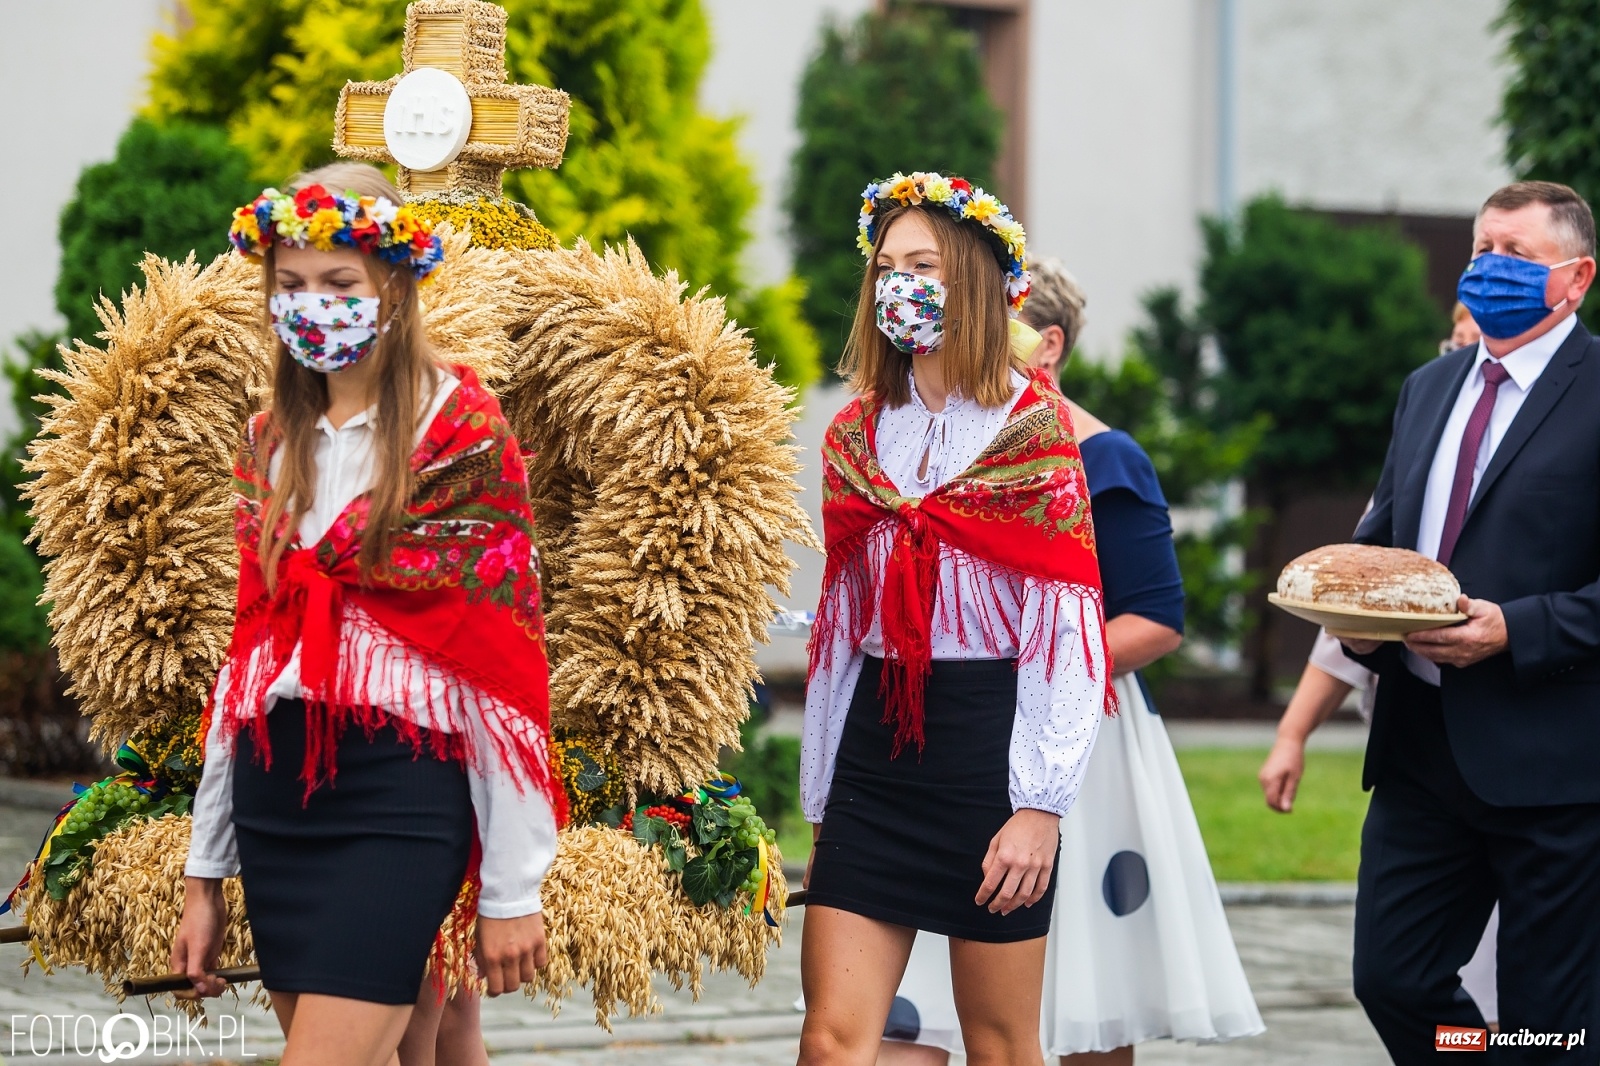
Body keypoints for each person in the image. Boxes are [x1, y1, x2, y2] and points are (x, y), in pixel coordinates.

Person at [169, 162, 563, 1066]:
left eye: (339, 283)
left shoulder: (462, 434)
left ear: (393, 283)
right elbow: (247, 670)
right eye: (292, 286)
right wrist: (205, 877)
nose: (314, 305)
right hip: (280, 799)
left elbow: (500, 680)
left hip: (401, 796)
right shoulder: (270, 444)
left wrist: (511, 890)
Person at [877, 259, 1263, 1066]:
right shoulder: (934, 440)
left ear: (1046, 344)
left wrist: (1026, 673)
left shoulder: (1104, 455)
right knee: (919, 1004)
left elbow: (1155, 619)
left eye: (995, 319)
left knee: (1085, 991)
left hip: (1072, 749)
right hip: (952, 740)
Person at [798, 172, 1113, 1066]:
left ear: (974, 280)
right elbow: (837, 635)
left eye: (924, 264)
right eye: (887, 265)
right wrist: (823, 801)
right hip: (877, 752)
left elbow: (1066, 629)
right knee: (830, 1040)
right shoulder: (857, 434)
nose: (899, 283)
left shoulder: (1036, 432)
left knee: (1002, 1044)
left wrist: (1039, 807)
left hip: (988, 749)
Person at [1340, 180, 1600, 1064]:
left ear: (1576, 279)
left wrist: (1516, 629)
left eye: (1518, 256)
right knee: (1395, 981)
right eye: (1484, 248)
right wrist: (1356, 620)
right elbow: (1383, 544)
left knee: (1548, 1023)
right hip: (1421, 754)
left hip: (1556, 767)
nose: (1490, 268)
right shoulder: (1429, 386)